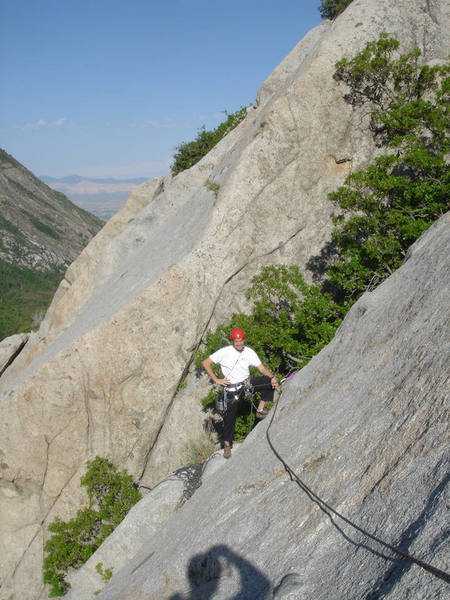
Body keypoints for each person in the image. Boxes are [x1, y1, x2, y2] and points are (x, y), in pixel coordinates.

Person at [202, 328, 279, 458]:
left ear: (243, 339)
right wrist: (216, 379)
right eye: (236, 341)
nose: (239, 343)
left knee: (268, 382)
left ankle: (260, 410)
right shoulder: (224, 352)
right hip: (232, 390)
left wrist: (272, 377)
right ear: (233, 341)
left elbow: (261, 368)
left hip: (246, 384)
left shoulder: (249, 352)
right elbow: (206, 363)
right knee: (229, 419)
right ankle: (227, 444)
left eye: (241, 340)